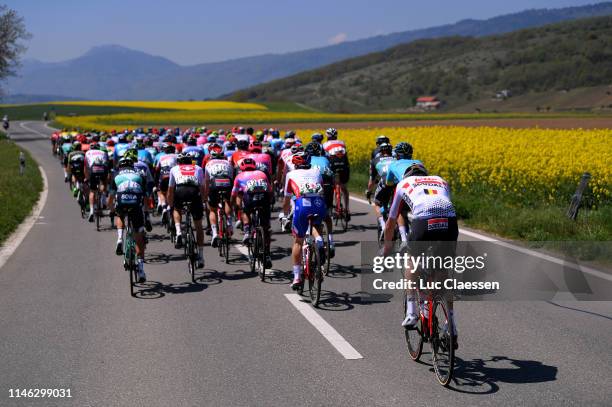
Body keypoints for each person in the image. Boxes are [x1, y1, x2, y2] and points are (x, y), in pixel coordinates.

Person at [383, 163, 458, 346]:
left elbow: (392, 220)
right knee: (443, 274)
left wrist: (387, 249)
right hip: (449, 221)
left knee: (412, 260)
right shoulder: (440, 180)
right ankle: (452, 324)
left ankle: (411, 311)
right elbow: (444, 203)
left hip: (424, 220)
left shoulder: (403, 184)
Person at [280, 152, 327, 289]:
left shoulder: (291, 174)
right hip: (319, 203)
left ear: (295, 164)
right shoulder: (316, 171)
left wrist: (284, 213)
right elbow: (321, 189)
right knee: (315, 224)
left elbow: (287, 199)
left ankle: (296, 277)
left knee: (298, 241)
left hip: (302, 205)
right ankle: (319, 239)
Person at [230, 158, 273, 268]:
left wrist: (232, 204)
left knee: (245, 211)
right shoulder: (261, 173)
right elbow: (270, 190)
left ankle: (247, 231)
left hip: (250, 199)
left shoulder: (239, 176)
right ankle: (267, 254)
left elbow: (234, 194)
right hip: (264, 199)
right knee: (266, 227)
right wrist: (271, 201)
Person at [112, 156, 147, 283]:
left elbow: (111, 195)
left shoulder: (116, 175)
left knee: (119, 215)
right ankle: (141, 270)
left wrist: (112, 210)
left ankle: (120, 238)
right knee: (139, 237)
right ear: (132, 167)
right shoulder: (139, 175)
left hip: (122, 202)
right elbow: (145, 196)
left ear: (120, 167)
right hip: (136, 204)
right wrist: (146, 214)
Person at [167, 153, 206, 268]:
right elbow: (202, 187)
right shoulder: (198, 168)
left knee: (177, 209)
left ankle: (178, 231)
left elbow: (171, 188)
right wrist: (203, 200)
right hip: (193, 191)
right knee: (198, 225)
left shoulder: (174, 169)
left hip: (180, 190)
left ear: (179, 162)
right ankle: (201, 255)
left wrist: (170, 203)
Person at [385, 142, 422, 244]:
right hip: (422, 191)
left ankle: (404, 239)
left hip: (407, 190)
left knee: (399, 211)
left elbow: (388, 183)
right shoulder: (418, 162)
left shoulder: (393, 164)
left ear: (397, 155)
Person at [304, 141, 335, 257]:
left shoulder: (307, 160)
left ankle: (316, 238)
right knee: (326, 215)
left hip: (316, 187)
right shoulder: (325, 159)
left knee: (311, 214)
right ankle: (331, 241)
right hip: (328, 187)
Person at [204, 145, 234, 247]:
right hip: (227, 182)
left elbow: (207, 182)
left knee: (212, 209)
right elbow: (232, 178)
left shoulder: (208, 163)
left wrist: (206, 194)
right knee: (228, 201)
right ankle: (229, 223)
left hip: (214, 184)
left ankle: (215, 233)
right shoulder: (228, 162)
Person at [366, 142, 396, 240]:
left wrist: (369, 191)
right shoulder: (396, 159)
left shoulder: (375, 160)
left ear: (381, 151)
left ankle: (383, 226)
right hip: (398, 185)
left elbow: (372, 181)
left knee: (377, 203)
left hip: (385, 185)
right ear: (390, 150)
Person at [323, 128, 350, 221]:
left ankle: (334, 208)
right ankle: (347, 209)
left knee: (332, 186)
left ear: (327, 136)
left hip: (333, 167)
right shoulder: (342, 143)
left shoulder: (325, 145)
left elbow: (325, 158)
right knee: (344, 188)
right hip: (344, 167)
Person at [84, 143, 110, 222]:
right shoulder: (103, 152)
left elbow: (85, 167)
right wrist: (106, 180)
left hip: (93, 169)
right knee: (104, 183)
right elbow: (107, 165)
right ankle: (102, 200)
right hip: (102, 169)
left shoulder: (87, 153)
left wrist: (87, 177)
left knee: (92, 191)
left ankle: (91, 211)